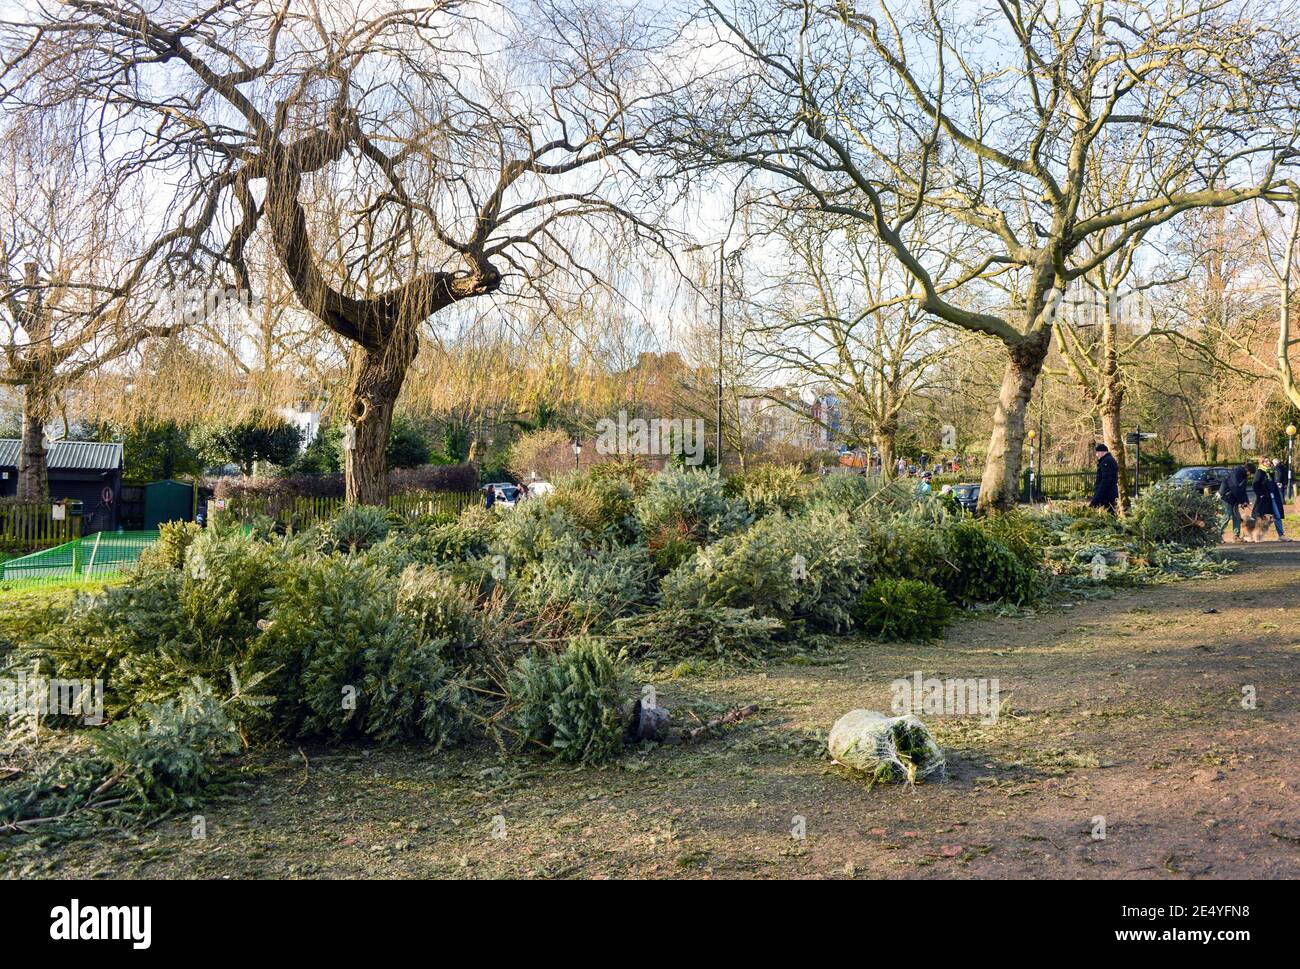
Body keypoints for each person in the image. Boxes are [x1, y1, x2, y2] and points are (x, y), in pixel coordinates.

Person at [1218, 460, 1254, 541]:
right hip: (1226, 497)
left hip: (1234, 498)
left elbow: (1243, 490)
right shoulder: (1236, 473)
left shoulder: (1244, 476)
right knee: (1227, 516)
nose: (1250, 475)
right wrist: (1242, 501)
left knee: (1237, 517)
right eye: (1250, 473)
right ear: (1247, 470)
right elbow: (1235, 488)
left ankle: (1236, 536)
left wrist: (1246, 502)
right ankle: (1217, 535)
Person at [1253, 459, 1287, 540]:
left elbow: (1273, 484)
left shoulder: (1270, 472)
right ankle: (1254, 535)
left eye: (1269, 461)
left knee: (1277, 515)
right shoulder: (1260, 472)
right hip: (1264, 499)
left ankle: (1281, 535)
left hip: (1273, 497)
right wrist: (1261, 494)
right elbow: (1255, 484)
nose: (1269, 462)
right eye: (1266, 461)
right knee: (1259, 517)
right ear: (1262, 463)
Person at [1089, 443, 1119, 512]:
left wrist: (1097, 496)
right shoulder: (1108, 460)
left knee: (1108, 513)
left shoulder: (1106, 461)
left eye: (1097, 452)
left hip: (1107, 494)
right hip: (1108, 493)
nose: (1096, 455)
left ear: (1101, 452)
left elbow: (1105, 480)